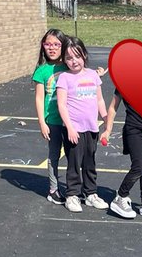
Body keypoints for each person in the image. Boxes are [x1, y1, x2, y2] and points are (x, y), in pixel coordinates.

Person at [56, 38, 107, 213]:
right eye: (69, 58)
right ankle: (72, 195)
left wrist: (106, 118)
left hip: (92, 128)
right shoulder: (64, 77)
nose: (74, 61)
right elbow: (61, 105)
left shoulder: (93, 75)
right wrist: (69, 127)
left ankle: (90, 194)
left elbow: (99, 99)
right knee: (74, 163)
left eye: (77, 56)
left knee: (89, 162)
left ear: (84, 55)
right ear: (64, 60)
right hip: (73, 129)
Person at [102, 90, 142, 220]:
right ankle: (120, 197)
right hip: (133, 130)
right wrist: (108, 130)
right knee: (138, 167)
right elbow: (113, 107)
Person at [32, 28, 69, 204]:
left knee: (74, 156)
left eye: (56, 44)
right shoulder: (42, 70)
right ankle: (53, 190)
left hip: (70, 121)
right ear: (43, 46)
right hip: (52, 121)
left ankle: (75, 188)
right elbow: (40, 99)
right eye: (48, 44)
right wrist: (42, 122)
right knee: (54, 155)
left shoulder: (70, 66)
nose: (52, 48)